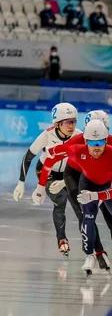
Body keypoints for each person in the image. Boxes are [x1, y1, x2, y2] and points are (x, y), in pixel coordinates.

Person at [35, 119, 112, 275]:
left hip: (108, 186)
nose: (97, 147)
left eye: (101, 142)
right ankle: (90, 255)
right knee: (87, 218)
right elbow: (50, 159)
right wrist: (41, 187)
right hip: (87, 184)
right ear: (86, 141)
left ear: (106, 140)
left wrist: (96, 195)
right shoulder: (76, 150)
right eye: (93, 143)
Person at [13, 103, 80, 256]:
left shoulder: (79, 135)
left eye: (74, 121)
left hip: (69, 173)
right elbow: (27, 158)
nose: (72, 125)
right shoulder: (46, 135)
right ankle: (61, 239)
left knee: (80, 206)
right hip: (46, 171)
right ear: (57, 123)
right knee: (60, 200)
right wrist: (21, 183)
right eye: (68, 122)